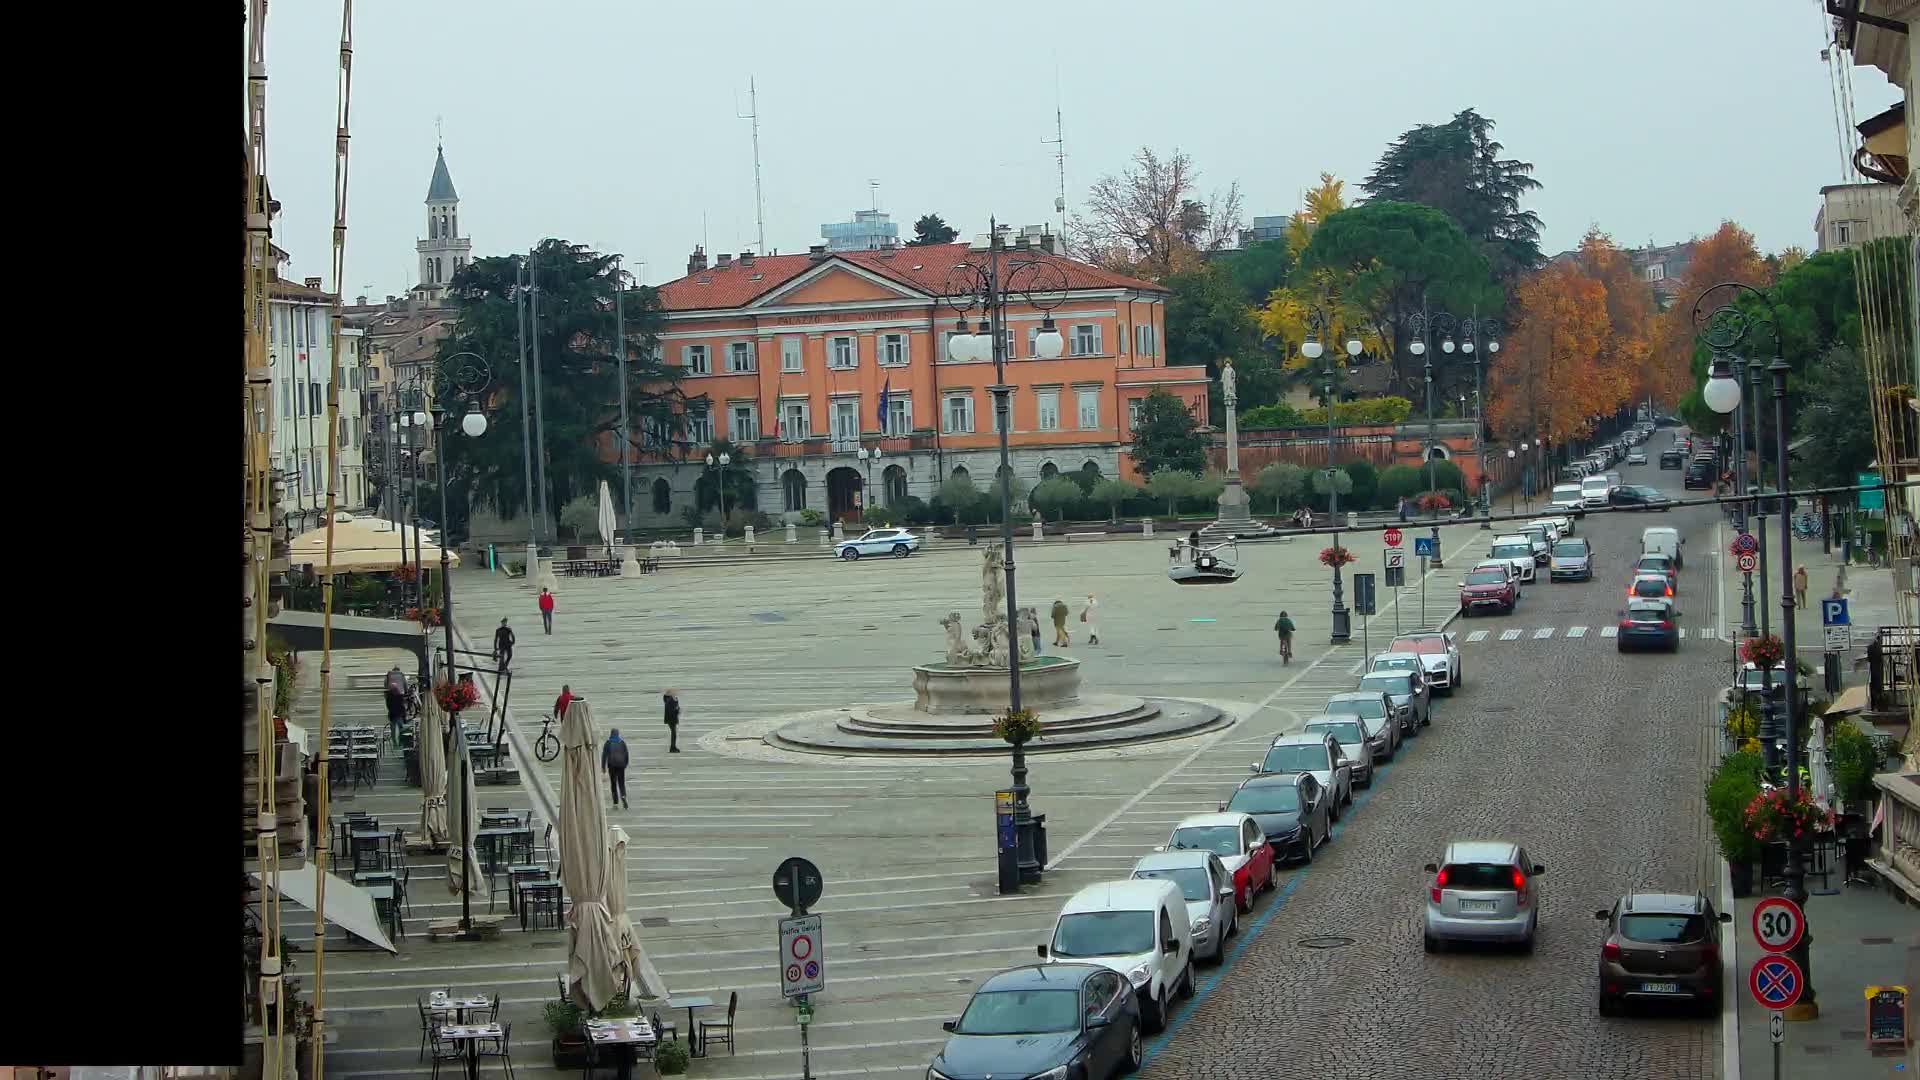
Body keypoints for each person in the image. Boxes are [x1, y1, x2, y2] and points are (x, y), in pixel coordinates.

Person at [602, 728, 629, 808]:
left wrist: (603, 767)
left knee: (613, 783)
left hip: (612, 765)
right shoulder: (622, 742)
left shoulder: (608, 743)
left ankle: (615, 802)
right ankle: (623, 795)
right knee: (621, 783)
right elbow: (626, 754)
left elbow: (604, 755)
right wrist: (625, 764)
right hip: (621, 765)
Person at [384, 665, 409, 744]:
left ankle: (394, 742)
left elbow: (385, 686)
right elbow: (405, 685)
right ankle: (402, 741)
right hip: (400, 713)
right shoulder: (401, 675)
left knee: (393, 728)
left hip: (393, 714)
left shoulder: (389, 676)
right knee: (402, 728)